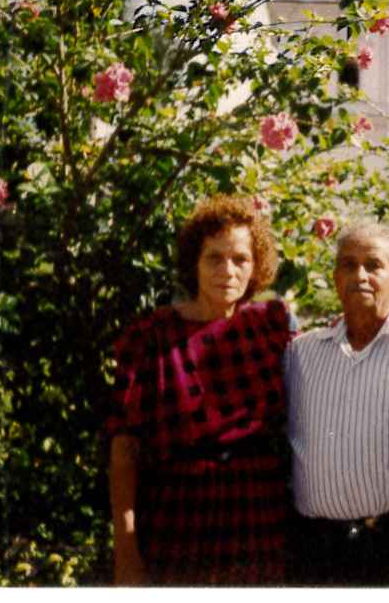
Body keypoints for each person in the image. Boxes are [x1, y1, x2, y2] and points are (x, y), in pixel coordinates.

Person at [106, 195, 294, 585]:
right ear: (194, 262)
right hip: (178, 517)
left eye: (240, 258)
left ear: (256, 266)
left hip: (256, 517)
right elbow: (124, 450)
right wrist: (126, 551)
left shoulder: (270, 326)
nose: (228, 270)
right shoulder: (151, 337)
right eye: (214, 258)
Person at [284, 222, 389, 586]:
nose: (359, 275)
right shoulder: (300, 354)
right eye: (348, 264)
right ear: (335, 277)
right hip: (316, 552)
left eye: (373, 265)